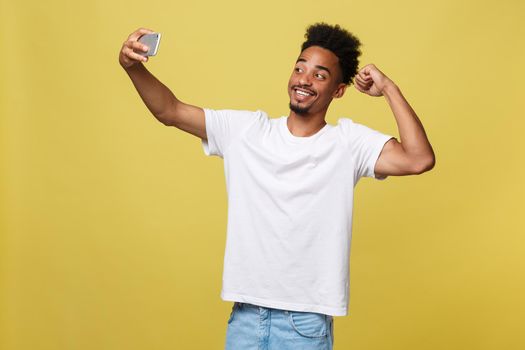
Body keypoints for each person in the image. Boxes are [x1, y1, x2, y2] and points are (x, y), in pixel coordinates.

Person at [119, 23, 435, 350]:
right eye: (300, 68)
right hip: (245, 317)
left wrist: (388, 89)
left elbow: (418, 159)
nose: (304, 79)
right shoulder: (246, 131)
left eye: (319, 75)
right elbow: (169, 111)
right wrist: (132, 67)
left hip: (306, 324)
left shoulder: (348, 143)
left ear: (339, 90)